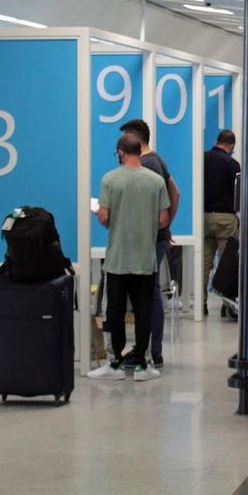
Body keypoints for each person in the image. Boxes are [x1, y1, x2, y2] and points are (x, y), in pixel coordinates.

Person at [88, 133, 170, 382]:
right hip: (145, 259)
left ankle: (114, 363)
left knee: (114, 310)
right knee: (144, 310)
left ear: (121, 152)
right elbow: (163, 219)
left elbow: (103, 217)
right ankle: (144, 364)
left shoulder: (110, 179)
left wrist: (115, 220)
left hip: (117, 259)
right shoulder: (156, 181)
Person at [119, 118, 180, 369]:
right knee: (151, 292)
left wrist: (161, 227)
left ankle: (150, 350)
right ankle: (153, 350)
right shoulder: (159, 161)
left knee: (148, 293)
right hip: (157, 237)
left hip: (146, 239)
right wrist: (166, 226)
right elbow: (175, 192)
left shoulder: (146, 165)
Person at [203, 130, 241, 318]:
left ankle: (201, 306)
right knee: (228, 264)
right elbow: (238, 194)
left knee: (204, 263)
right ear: (231, 146)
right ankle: (228, 305)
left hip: (203, 218)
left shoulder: (202, 159)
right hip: (226, 218)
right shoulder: (233, 165)